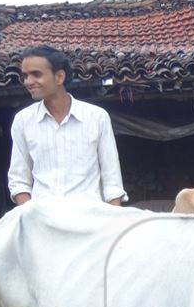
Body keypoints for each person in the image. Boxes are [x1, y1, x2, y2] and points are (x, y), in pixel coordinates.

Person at [8, 46, 127, 206]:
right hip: (43, 221)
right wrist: (33, 217)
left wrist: (113, 220)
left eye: (36, 74)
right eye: (25, 76)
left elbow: (112, 180)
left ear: (59, 77)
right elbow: (19, 180)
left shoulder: (96, 117)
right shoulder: (23, 120)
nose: (28, 82)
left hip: (91, 218)